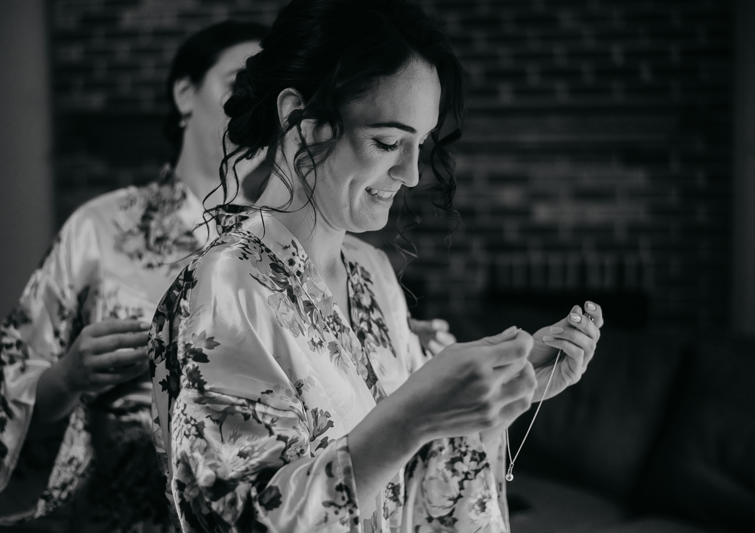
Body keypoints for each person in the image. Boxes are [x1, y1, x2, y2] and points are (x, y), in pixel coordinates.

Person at [148, 1, 604, 532]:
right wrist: (411, 416)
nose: (411, 174)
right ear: (303, 119)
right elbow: (235, 520)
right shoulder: (222, 290)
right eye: (387, 142)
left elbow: (411, 482)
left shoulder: (371, 274)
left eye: (420, 145)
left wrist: (508, 389)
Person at [0, 21, 271, 532]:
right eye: (240, 85)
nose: (257, 105)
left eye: (273, 94)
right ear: (185, 93)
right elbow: (15, 379)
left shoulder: (283, 245)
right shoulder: (99, 227)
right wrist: (69, 376)